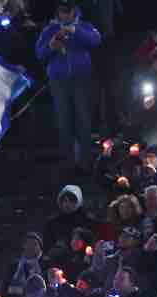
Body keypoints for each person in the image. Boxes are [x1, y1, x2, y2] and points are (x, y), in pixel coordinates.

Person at [36, 0, 102, 173]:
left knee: (83, 119)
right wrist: (51, 45)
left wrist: (76, 31)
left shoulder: (84, 25)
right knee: (64, 120)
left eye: (68, 10)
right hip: (59, 80)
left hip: (82, 78)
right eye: (62, 10)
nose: (64, 14)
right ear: (58, 12)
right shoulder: (49, 29)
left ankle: (85, 163)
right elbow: (39, 53)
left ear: (74, 11)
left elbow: (96, 40)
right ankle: (68, 164)